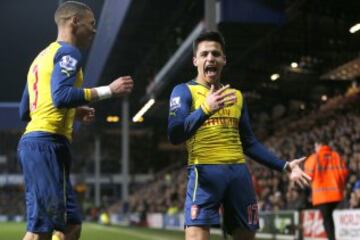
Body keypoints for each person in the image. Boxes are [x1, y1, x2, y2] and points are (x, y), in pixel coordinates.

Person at [167, 31, 311, 240]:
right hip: (204, 172)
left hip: (239, 175)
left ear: (224, 60)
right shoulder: (183, 91)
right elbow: (174, 134)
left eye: (216, 54)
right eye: (204, 54)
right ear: (195, 60)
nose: (210, 58)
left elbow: (250, 143)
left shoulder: (236, 97)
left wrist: (285, 166)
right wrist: (205, 109)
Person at [17, 1, 134, 240]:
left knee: (72, 225)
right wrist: (108, 90)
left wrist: (74, 111)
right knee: (41, 229)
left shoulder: (40, 59)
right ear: (74, 21)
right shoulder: (69, 52)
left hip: (39, 143)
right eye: (91, 24)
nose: (93, 30)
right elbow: (60, 96)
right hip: (46, 144)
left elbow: (24, 110)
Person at [304, 139, 348, 240]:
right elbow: (344, 173)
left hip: (321, 196)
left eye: (315, 147)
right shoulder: (336, 156)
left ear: (319, 145)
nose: (315, 149)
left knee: (327, 221)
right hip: (337, 195)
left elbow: (307, 176)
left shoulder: (314, 158)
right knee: (329, 220)